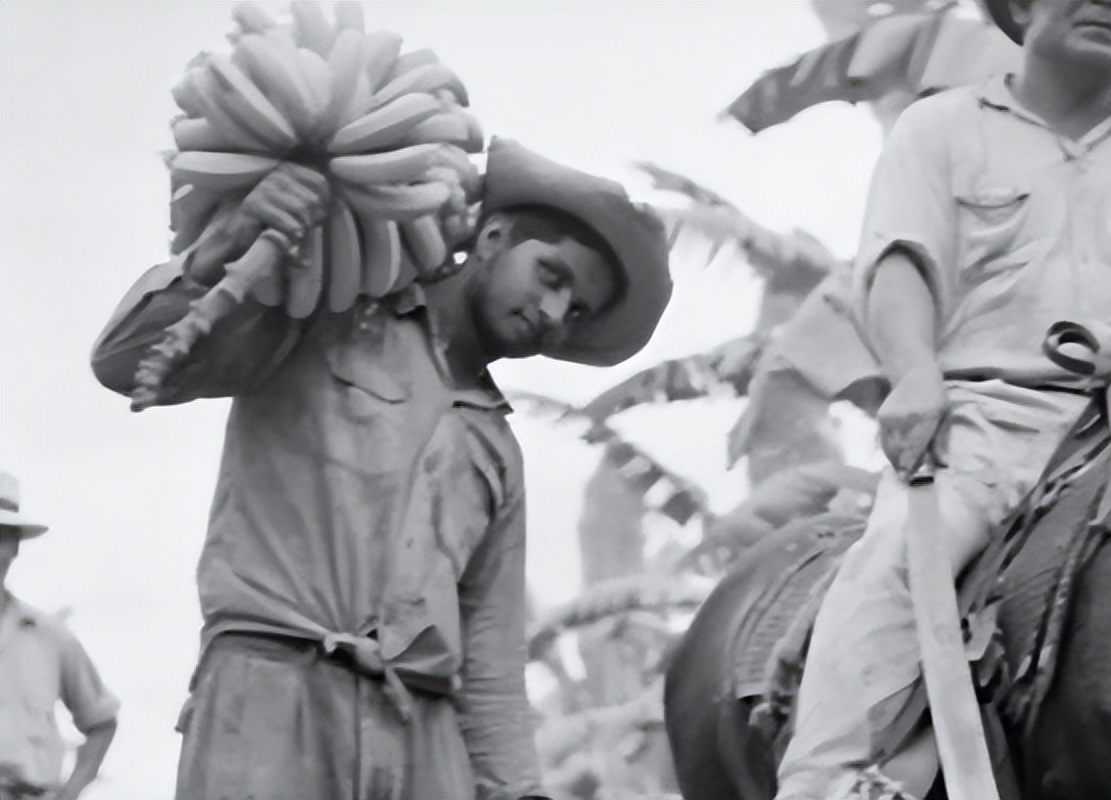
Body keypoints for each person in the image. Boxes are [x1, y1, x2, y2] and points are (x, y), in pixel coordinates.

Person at [90, 137, 672, 800]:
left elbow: (490, 662)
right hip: (269, 699)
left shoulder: (496, 450)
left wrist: (518, 792)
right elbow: (125, 362)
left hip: (420, 737)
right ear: (493, 237)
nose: (554, 315)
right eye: (552, 276)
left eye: (577, 313)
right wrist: (234, 238)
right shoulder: (325, 314)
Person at [775, 1, 1111, 797]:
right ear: (1025, 6)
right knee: (895, 568)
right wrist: (915, 372)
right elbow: (899, 265)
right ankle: (828, 779)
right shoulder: (940, 128)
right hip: (980, 426)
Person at [0, 471, 120, 800]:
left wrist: (69, 793)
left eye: (2, 536)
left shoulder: (49, 636)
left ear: (16, 547)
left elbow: (101, 721)